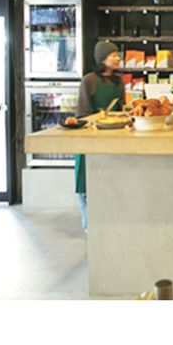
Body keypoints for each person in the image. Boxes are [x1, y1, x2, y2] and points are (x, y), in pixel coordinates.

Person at [74, 40, 125, 232]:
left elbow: (121, 110)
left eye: (118, 54)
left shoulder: (119, 81)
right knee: (86, 184)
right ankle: (89, 225)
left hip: (113, 137)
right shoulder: (89, 80)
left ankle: (108, 225)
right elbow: (82, 114)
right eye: (113, 55)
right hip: (90, 137)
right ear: (102, 59)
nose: (118, 58)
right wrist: (99, 120)